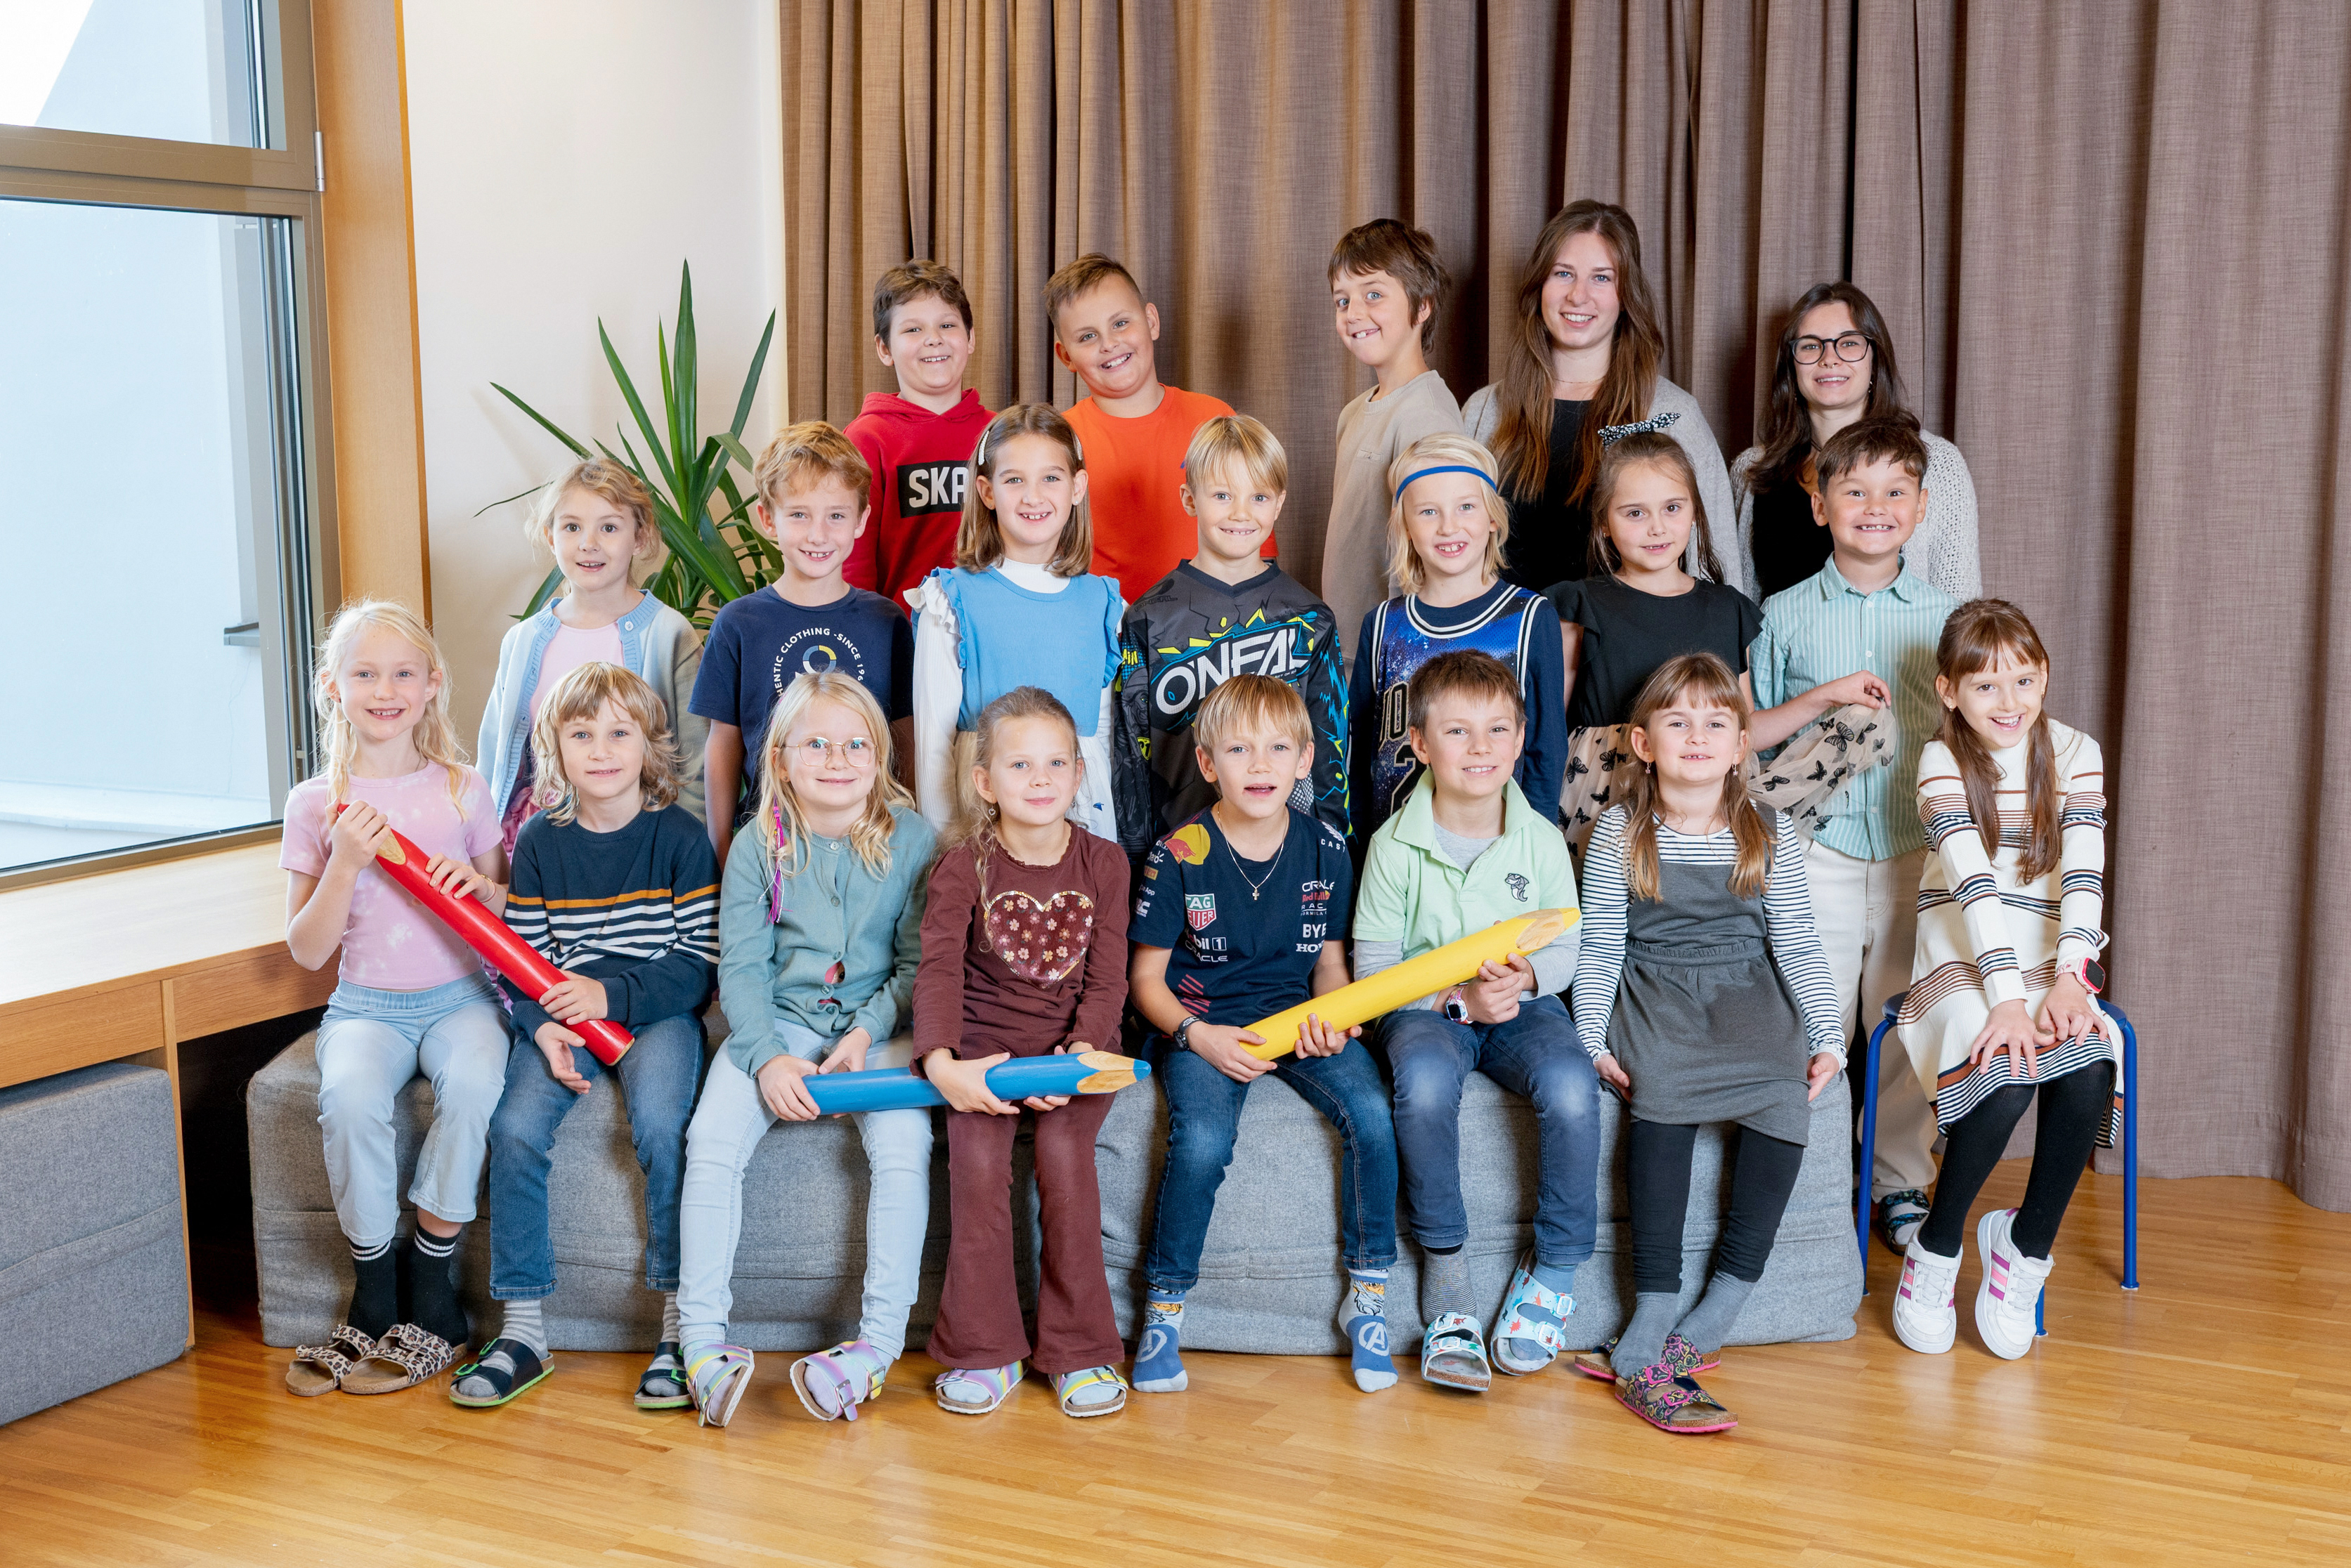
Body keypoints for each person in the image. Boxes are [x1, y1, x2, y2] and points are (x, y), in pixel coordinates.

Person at [1569, 654, 1844, 1433]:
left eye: (1716, 723)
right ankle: (1653, 1314)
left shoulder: (1768, 831)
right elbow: (1602, 947)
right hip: (1658, 989)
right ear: (1644, 743)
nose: (1697, 736)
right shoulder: (1619, 831)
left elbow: (1796, 941)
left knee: (1784, 1092)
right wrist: (1591, 1038)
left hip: (1746, 987)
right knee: (1658, 1091)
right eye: (1678, 721)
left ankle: (1721, 1306)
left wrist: (1828, 1034)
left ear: (1740, 745)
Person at [675, 673, 938, 1426]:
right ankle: (701, 1344)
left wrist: (862, 1035)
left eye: (856, 744)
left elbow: (915, 965)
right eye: (816, 744)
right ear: (781, 761)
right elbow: (741, 968)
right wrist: (766, 1057)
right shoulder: (757, 844)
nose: (837, 759)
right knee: (711, 1139)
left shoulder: (914, 839)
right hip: (780, 1022)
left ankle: (875, 1349)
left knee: (904, 1145)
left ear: (879, 756)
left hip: (880, 1028)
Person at [1125, 676, 1398, 1396]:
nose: (1259, 765)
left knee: (1372, 1114)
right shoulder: (1178, 854)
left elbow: (1330, 965)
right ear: (1208, 763)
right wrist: (1197, 1037)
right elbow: (1145, 981)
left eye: (1278, 749)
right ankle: (1164, 1311)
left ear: (1304, 760)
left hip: (1295, 1018)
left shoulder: (1327, 847)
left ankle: (1368, 1298)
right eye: (1239, 750)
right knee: (1203, 1141)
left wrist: (1334, 1021)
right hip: (1205, 1024)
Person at [455, 663, 717, 1411]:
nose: (601, 750)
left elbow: (698, 966)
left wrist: (612, 995)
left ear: (648, 744)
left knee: (664, 1128)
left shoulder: (680, 837)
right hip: (562, 1015)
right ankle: (524, 1332)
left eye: (618, 733)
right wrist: (540, 1028)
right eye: (581, 735)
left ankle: (679, 1330)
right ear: (555, 750)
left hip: (656, 1012)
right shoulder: (541, 841)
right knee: (513, 1128)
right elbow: (524, 961)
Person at [280, 601, 507, 1397]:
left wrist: (482, 889)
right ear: (333, 687)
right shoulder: (315, 804)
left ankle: (433, 1290)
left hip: (463, 998)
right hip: (364, 1006)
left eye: (404, 673)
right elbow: (307, 949)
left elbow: (508, 907)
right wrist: (345, 862)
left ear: (432, 684)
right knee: (347, 1098)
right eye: (366, 674)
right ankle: (374, 1289)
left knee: (475, 1086)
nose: (386, 690)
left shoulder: (462, 788)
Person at [1355, 650, 1593, 1392]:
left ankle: (1555, 1268)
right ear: (1421, 744)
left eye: (1497, 729)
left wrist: (1527, 978)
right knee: (1424, 1083)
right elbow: (1374, 975)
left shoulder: (1541, 838)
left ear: (1520, 740)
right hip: (1428, 1011)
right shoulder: (1393, 847)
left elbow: (1566, 946)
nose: (1480, 746)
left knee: (1572, 1085)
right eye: (1457, 731)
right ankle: (1448, 1276)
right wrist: (1458, 1000)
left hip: (1523, 1004)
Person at [1750, 418, 1960, 1249]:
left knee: (1904, 1023)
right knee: (1814, 1019)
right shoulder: (1783, 614)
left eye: (1894, 492)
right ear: (1820, 506)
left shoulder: (1948, 618)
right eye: (1854, 491)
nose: (1875, 507)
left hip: (1916, 850)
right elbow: (1760, 740)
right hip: (1818, 851)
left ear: (1921, 507)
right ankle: (1809, 1183)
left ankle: (1899, 1180)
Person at [1891, 601, 2116, 1361]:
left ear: (2044, 676)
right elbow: (1973, 886)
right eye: (1985, 686)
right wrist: (2009, 1001)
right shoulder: (1939, 759)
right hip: (1962, 942)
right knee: (2006, 1067)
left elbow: (2083, 873)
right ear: (1949, 691)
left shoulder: (2078, 752)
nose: (2009, 701)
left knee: (2089, 1063)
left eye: (2023, 680)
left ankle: (2024, 1248)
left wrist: (2071, 979)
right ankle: (1937, 1246)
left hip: (2050, 946)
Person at [913, 687, 1133, 1418]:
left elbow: (1107, 980)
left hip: (1080, 1051)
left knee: (1065, 1163)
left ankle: (1079, 1350)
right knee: (977, 1169)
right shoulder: (961, 867)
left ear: (1078, 773)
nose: (1040, 779)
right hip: (985, 1055)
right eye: (1019, 765)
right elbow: (938, 972)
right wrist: (943, 1064)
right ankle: (985, 1349)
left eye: (1055, 763)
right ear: (985, 782)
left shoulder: (1105, 864)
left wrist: (1075, 1057)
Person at [1463, 202, 1739, 595]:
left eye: (1602, 278)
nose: (1579, 296)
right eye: (1563, 273)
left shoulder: (1673, 415)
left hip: (1628, 636)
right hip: (1504, 634)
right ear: (1540, 287)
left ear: (1626, 295)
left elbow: (1716, 569)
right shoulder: (1483, 412)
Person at [1113, 414, 1349, 856]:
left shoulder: (1310, 618)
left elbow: (1329, 754)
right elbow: (1132, 757)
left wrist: (1332, 853)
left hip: (1288, 856)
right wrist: (1137, 863)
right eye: (1222, 495)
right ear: (1189, 499)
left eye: (1258, 496)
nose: (1241, 513)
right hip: (1180, 855)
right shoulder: (1148, 618)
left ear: (1279, 504)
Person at [691, 422, 914, 867]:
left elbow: (904, 736)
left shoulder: (887, 621)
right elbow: (723, 744)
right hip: (770, 846)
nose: (818, 534)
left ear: (861, 520)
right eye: (799, 515)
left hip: (871, 844)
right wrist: (721, 848)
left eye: (836, 516)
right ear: (767, 519)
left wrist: (911, 831)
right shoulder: (738, 623)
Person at [909, 403, 1124, 844]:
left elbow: (1099, 735)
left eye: (1051, 478)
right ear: (987, 492)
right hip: (980, 832)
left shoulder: (1103, 603)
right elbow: (933, 747)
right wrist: (943, 855)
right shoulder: (951, 600)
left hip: (1078, 828)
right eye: (1014, 480)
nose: (1033, 496)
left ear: (1077, 487)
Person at [477, 459, 707, 856]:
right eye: (572, 527)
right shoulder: (523, 640)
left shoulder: (669, 634)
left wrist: (687, 857)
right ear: (551, 537)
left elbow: (696, 766)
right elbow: (494, 757)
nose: (589, 543)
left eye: (609, 527)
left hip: (641, 849)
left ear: (639, 537)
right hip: (537, 851)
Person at [1349, 434, 1565, 847]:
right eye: (1428, 511)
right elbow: (1358, 756)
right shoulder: (1381, 625)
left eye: (1466, 507)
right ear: (1405, 527)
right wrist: (1358, 854)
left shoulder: (1530, 618)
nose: (1449, 526)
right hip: (1395, 857)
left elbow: (1546, 753)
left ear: (1492, 518)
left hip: (1496, 854)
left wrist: (1531, 850)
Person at [1548, 430, 1761, 840]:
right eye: (1635, 513)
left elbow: (1744, 728)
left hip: (1704, 806)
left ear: (1694, 512)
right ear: (1604, 522)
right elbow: (1548, 726)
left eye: (1672, 508)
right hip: (1601, 799)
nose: (1657, 528)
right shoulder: (1579, 605)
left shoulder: (1728, 608)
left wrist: (1824, 698)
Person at [1731, 280, 1981, 602]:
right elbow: (1739, 606)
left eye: (1849, 343)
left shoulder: (1938, 464)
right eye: (1810, 346)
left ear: (1875, 360)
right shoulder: (1751, 471)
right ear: (1791, 368)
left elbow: (1962, 606)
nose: (1829, 359)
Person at [1047, 252, 1239, 605]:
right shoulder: (1057, 442)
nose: (1109, 344)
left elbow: (1256, 544)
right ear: (1066, 356)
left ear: (1151, 321)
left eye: (1121, 323)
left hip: (1215, 626)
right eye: (1088, 336)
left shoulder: (1215, 419)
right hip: (1105, 630)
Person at [1321, 218, 1466, 643]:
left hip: (1392, 647)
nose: (1354, 313)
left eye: (1374, 295)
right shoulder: (1353, 412)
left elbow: (1433, 556)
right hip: (1346, 643)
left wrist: (1398, 648)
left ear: (1422, 307)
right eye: (1342, 300)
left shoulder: (1428, 416)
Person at [843, 261, 994, 604]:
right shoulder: (866, 439)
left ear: (970, 338)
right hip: (901, 629)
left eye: (947, 325)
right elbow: (853, 565)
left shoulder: (1002, 433)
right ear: (885, 349)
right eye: (913, 329)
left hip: (994, 627)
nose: (934, 339)